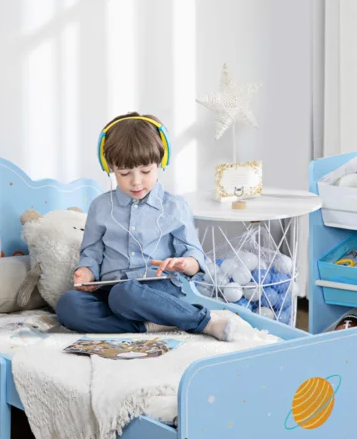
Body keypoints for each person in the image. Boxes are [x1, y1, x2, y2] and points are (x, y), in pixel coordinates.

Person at [55, 113, 237, 340]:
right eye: (124, 173)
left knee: (124, 294)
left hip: (157, 289)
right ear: (109, 167)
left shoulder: (174, 206)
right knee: (68, 305)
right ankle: (150, 325)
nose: (136, 181)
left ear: (160, 162)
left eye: (145, 171)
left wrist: (184, 264)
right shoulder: (100, 207)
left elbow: (195, 256)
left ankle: (204, 321)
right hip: (110, 289)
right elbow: (92, 252)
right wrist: (85, 272)